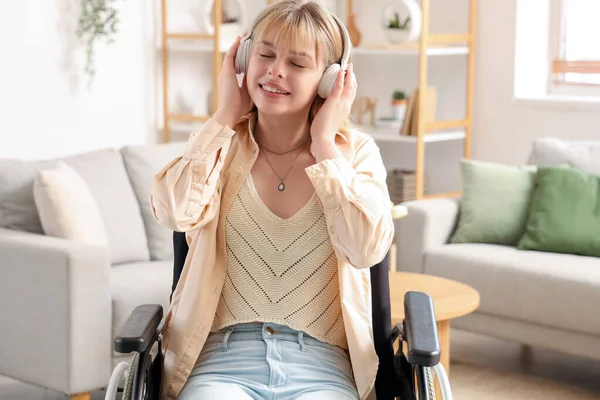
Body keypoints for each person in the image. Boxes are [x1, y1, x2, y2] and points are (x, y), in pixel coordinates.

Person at [150, 1, 394, 399]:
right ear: (244, 58)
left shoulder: (355, 154)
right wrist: (226, 115)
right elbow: (173, 211)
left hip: (323, 367)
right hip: (220, 363)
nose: (275, 70)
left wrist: (323, 145)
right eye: (265, 54)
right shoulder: (220, 145)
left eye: (297, 64)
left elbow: (367, 248)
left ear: (331, 80)